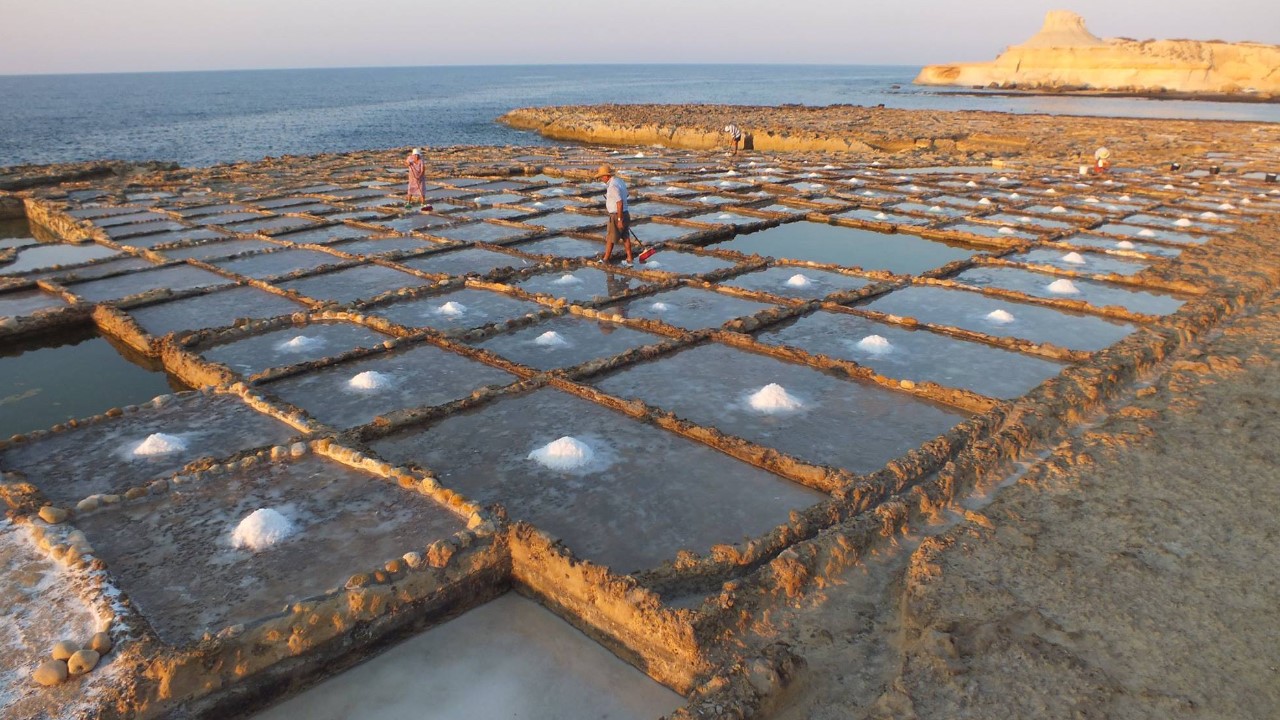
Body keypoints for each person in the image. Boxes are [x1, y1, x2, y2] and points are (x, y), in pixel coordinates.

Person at [596, 163, 632, 265]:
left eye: (601, 177)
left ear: (607, 176)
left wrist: (619, 219)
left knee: (610, 238)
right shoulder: (619, 181)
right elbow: (626, 194)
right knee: (625, 237)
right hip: (625, 213)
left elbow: (619, 203)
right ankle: (629, 258)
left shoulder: (612, 186)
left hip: (617, 215)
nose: (601, 179)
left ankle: (606, 259)